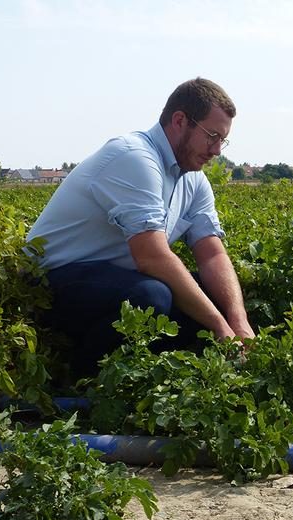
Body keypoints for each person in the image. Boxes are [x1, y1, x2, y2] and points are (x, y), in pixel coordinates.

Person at [27, 77, 254, 378]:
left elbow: (212, 254)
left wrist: (238, 323)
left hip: (110, 281)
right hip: (51, 281)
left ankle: (154, 377)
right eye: (211, 136)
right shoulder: (134, 157)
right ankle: (79, 377)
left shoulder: (194, 179)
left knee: (212, 293)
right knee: (151, 297)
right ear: (179, 120)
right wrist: (219, 326)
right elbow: (152, 258)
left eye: (222, 140)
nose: (216, 150)